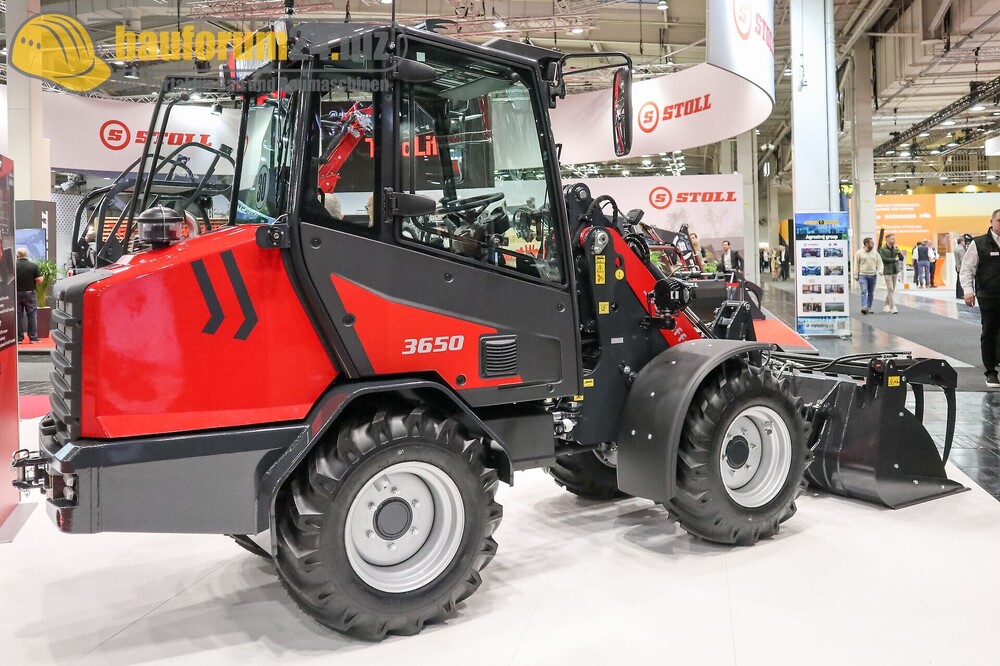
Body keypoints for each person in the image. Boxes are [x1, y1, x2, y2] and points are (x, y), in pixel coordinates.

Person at [960, 209, 1000, 387]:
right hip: (988, 296)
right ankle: (991, 372)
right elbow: (967, 269)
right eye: (999, 221)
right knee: (989, 332)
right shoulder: (979, 243)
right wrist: (968, 291)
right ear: (991, 222)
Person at [15, 248, 42, 343]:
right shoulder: (33, 266)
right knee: (32, 315)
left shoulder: (13, 266)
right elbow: (39, 280)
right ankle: (33, 338)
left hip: (16, 293)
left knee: (18, 316)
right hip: (30, 293)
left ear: (17, 255)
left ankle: (19, 338)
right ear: (27, 255)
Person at [853, 237, 883, 314]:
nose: (873, 244)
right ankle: (864, 306)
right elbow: (856, 264)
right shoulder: (859, 253)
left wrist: (880, 270)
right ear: (866, 244)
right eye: (871, 243)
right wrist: (855, 275)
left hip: (873, 275)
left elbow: (880, 262)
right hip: (863, 275)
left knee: (871, 292)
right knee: (864, 291)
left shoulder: (875, 253)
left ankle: (869, 307)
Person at [878, 233, 904, 313]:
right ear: (887, 239)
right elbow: (884, 259)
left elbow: (901, 258)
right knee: (890, 289)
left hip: (895, 271)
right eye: (892, 239)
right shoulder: (883, 249)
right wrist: (894, 259)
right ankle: (893, 307)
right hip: (887, 271)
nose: (894, 240)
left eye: (894, 238)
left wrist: (898, 251)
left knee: (891, 290)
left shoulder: (895, 248)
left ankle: (886, 305)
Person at [955, 234, 971, 300]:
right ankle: (961, 294)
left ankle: (958, 294)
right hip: (961, 266)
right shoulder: (961, 249)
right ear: (961, 241)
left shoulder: (956, 248)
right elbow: (963, 259)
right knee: (961, 280)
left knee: (958, 280)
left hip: (958, 266)